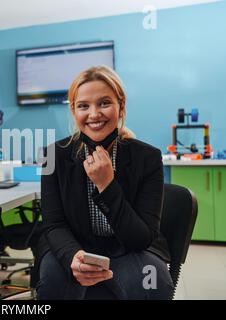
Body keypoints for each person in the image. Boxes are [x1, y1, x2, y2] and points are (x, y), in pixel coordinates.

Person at [36, 66, 174, 300]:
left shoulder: (147, 158)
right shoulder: (53, 155)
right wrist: (73, 256)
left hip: (130, 249)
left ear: (121, 107)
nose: (94, 114)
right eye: (83, 106)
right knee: (53, 282)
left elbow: (141, 238)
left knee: (153, 284)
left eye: (104, 103)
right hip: (75, 245)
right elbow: (53, 224)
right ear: (73, 110)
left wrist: (107, 186)